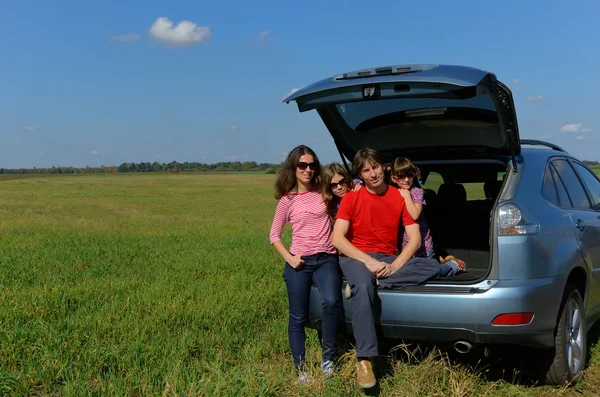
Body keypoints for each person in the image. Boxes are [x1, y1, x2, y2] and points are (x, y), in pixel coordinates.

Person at [332, 147, 442, 389]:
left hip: (388, 259)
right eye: (366, 170)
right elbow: (338, 239)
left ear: (384, 166)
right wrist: (368, 262)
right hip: (356, 257)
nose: (373, 174)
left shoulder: (398, 196)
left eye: (375, 167)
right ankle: (365, 360)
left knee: (431, 265)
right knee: (362, 284)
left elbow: (414, 240)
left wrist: (393, 267)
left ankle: (380, 280)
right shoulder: (352, 197)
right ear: (360, 174)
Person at [269, 145, 342, 384]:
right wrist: (289, 258)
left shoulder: (323, 192)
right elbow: (274, 235)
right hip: (298, 262)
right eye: (303, 165)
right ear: (293, 167)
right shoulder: (287, 200)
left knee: (332, 303)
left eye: (312, 165)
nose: (308, 169)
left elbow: (344, 196)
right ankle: (301, 369)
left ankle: (328, 360)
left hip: (326, 258)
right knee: (298, 317)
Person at [390, 157, 466, 276]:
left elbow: (415, 214)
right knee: (410, 273)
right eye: (401, 176)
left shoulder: (416, 192)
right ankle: (442, 261)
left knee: (430, 273)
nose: (406, 180)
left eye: (410, 175)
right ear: (393, 178)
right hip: (402, 247)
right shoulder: (392, 192)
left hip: (423, 246)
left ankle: (452, 266)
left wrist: (406, 196)